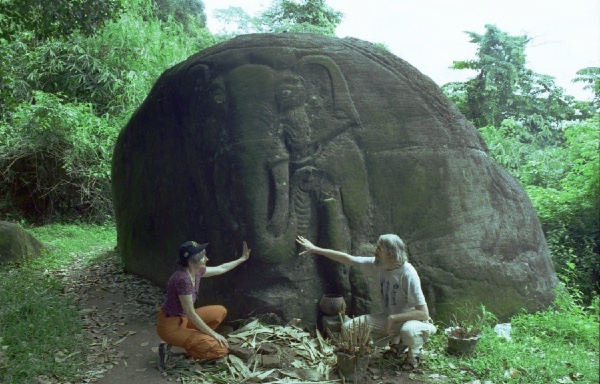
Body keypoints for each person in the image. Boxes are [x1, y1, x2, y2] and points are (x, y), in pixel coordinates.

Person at [296, 234, 435, 371]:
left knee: (409, 330)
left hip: (413, 321)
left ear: (391, 253)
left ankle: (413, 356)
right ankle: (397, 346)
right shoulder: (379, 265)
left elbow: (423, 313)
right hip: (389, 320)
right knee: (349, 328)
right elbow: (347, 259)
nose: (375, 251)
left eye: (379, 249)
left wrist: (393, 318)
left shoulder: (408, 273)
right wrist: (315, 249)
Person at [156, 240, 250, 368]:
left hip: (183, 319)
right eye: (202, 257)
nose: (207, 258)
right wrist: (214, 334)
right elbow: (191, 314)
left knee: (219, 311)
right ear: (191, 262)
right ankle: (173, 346)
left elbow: (221, 268)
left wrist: (242, 259)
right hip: (171, 326)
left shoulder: (197, 271)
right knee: (220, 350)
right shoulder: (183, 279)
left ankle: (196, 343)